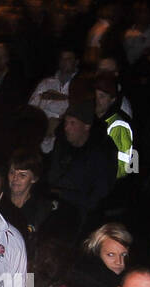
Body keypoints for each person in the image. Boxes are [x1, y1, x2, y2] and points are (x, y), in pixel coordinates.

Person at [47, 99, 117, 240]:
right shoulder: (62, 143)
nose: (67, 127)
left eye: (72, 123)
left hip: (83, 217)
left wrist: (65, 195)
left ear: (86, 126)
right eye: (66, 122)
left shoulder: (103, 152)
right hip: (55, 209)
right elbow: (52, 176)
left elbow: (98, 196)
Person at [68, 222, 131, 287]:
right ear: (97, 253)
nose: (119, 261)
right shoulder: (88, 284)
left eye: (124, 254)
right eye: (111, 255)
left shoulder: (123, 279)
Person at [0, 147, 57, 251]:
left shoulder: (41, 210)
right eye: (12, 173)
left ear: (34, 178)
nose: (15, 179)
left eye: (22, 175)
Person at [28, 48, 80, 154]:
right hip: (40, 142)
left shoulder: (81, 85)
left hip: (64, 143)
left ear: (76, 62)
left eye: (68, 59)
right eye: (62, 59)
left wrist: (62, 98)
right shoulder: (46, 83)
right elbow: (31, 109)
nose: (65, 62)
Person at [93, 72, 136, 180]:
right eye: (95, 95)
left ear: (112, 99)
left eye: (102, 96)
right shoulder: (91, 119)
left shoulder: (118, 125)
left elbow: (123, 168)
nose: (97, 100)